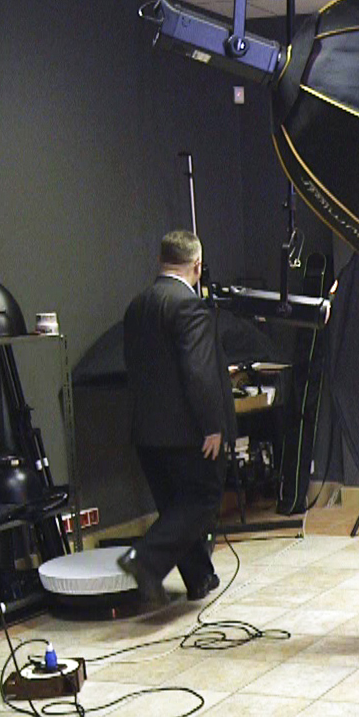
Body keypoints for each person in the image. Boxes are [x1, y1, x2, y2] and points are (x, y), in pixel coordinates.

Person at [118, 230, 232, 607]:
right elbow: (198, 372)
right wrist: (212, 426)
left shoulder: (136, 306)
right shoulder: (189, 306)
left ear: (160, 261)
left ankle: (200, 578)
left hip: (145, 431)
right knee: (202, 500)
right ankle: (145, 560)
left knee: (175, 508)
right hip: (186, 433)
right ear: (197, 265)